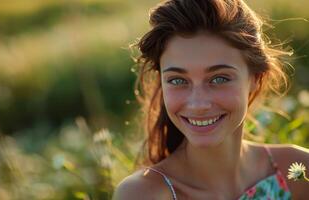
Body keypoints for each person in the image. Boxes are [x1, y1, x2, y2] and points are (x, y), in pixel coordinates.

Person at [113, 0, 309, 199]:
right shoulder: (144, 194)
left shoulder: (298, 171)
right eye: (178, 80)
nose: (198, 104)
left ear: (255, 79)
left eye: (219, 78)